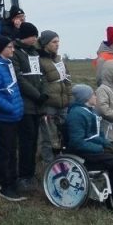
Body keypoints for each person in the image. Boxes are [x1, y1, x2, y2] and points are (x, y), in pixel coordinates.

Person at [64, 85, 113, 210]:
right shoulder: (76, 115)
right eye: (93, 95)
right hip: (83, 154)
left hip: (93, 149)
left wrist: (107, 144)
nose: (95, 97)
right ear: (86, 98)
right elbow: (77, 142)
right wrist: (100, 149)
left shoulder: (91, 112)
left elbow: (96, 135)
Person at [0, 35, 25, 202]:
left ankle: (13, 181)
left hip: (13, 116)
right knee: (4, 152)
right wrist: (11, 108)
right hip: (4, 117)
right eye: (9, 47)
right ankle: (5, 185)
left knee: (12, 151)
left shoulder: (7, 63)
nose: (13, 49)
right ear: (1, 48)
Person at [11, 22, 46, 193]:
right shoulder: (16, 53)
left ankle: (31, 174)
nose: (35, 39)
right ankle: (23, 175)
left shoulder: (34, 53)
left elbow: (41, 76)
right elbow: (19, 79)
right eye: (33, 36)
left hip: (37, 105)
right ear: (24, 36)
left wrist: (43, 94)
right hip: (25, 104)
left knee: (34, 141)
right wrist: (36, 95)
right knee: (26, 140)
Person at [37, 31, 71, 167]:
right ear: (45, 44)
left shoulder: (59, 60)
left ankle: (63, 163)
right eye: (54, 42)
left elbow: (67, 79)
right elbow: (40, 82)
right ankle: (49, 166)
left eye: (58, 41)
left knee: (62, 135)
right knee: (48, 138)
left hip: (63, 104)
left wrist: (69, 97)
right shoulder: (39, 60)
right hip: (49, 104)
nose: (57, 44)